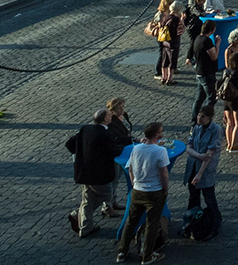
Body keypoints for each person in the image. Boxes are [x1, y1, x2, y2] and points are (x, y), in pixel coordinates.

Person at [114, 121, 169, 263]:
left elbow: (131, 169)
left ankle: (122, 252)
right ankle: (147, 255)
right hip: (154, 191)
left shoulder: (137, 149)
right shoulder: (160, 151)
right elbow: (164, 173)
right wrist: (165, 189)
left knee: (131, 221)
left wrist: (134, 184)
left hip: (138, 190)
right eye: (161, 131)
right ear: (157, 135)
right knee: (152, 224)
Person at [66, 107, 123, 238]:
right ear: (106, 119)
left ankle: (86, 227)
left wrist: (83, 153)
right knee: (106, 194)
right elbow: (114, 151)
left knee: (88, 198)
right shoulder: (105, 134)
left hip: (84, 172)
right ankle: (77, 214)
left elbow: (70, 144)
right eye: (109, 115)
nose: (111, 116)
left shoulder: (86, 129)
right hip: (98, 174)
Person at [185, 104, 223, 224]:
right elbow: (188, 147)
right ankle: (192, 221)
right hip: (193, 166)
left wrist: (200, 174)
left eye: (202, 116)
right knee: (193, 196)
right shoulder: (197, 128)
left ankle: (215, 222)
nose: (199, 118)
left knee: (209, 197)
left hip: (205, 169)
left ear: (209, 117)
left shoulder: (216, 130)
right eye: (198, 115)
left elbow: (209, 155)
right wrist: (199, 155)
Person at [190, 20, 220, 123]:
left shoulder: (197, 38)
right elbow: (214, 56)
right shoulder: (207, 41)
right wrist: (217, 44)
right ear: (212, 30)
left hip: (199, 72)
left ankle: (194, 121)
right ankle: (206, 119)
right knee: (211, 98)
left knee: (199, 99)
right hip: (207, 73)